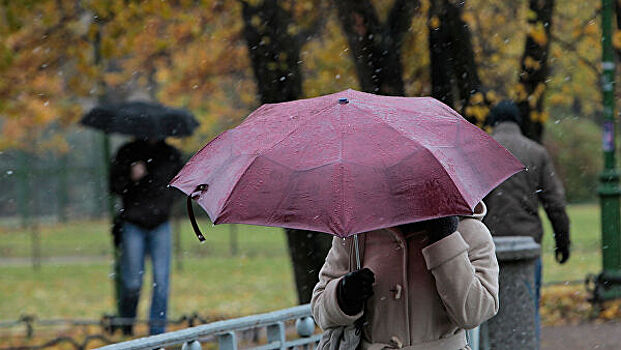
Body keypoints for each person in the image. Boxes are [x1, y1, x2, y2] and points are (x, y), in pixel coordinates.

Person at [311, 202, 499, 350]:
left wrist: (445, 238)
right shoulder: (356, 235)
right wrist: (343, 296)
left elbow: (474, 313)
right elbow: (319, 307)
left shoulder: (470, 232)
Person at [482, 100, 571, 342]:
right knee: (527, 312)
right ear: (518, 122)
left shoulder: (480, 150)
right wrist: (563, 242)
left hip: (487, 245)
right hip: (526, 245)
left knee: (486, 314)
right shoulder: (536, 153)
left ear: (493, 122)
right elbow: (555, 204)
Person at [110, 137, 183, 335]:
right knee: (132, 282)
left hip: (161, 223)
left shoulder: (171, 154)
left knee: (161, 281)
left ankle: (157, 332)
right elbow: (114, 186)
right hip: (133, 223)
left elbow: (182, 184)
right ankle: (127, 323)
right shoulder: (127, 153)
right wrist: (130, 177)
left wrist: (165, 201)